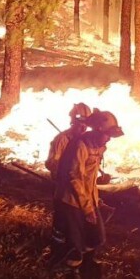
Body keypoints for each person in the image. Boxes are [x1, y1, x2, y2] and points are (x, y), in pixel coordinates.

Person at [53, 110, 124, 268]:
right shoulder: (81, 145)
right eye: (107, 135)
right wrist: (87, 208)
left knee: (96, 237)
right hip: (71, 201)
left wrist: (95, 199)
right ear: (98, 130)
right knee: (75, 245)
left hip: (87, 198)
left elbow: (88, 178)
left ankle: (86, 265)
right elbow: (75, 177)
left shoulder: (98, 146)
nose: (109, 139)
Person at [45, 103, 92, 251]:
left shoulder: (84, 141)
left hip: (79, 189)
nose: (83, 128)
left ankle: (74, 251)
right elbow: (51, 163)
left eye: (86, 125)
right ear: (73, 121)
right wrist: (65, 170)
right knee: (61, 222)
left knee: (77, 224)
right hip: (63, 187)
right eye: (80, 124)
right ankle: (56, 251)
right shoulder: (62, 139)